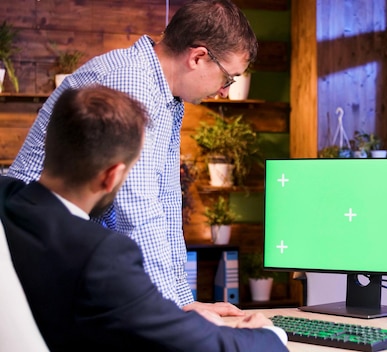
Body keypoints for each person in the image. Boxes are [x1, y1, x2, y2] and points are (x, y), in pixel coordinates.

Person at [8, 0, 255, 318]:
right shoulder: (131, 81)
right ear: (198, 57)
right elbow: (136, 210)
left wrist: (182, 301)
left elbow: (163, 203)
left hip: (63, 255)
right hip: (33, 254)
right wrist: (176, 311)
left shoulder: (165, 94)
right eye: (228, 78)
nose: (225, 91)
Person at [0, 85, 287, 351]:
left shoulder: (6, 201)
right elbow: (195, 346)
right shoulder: (101, 254)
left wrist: (174, 315)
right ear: (112, 176)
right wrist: (269, 336)